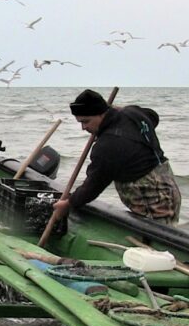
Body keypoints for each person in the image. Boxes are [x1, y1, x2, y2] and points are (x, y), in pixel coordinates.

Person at [53, 89, 181, 225]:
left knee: (156, 242)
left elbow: (94, 185)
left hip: (155, 201)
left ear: (101, 114)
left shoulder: (108, 144)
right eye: (80, 122)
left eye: (86, 121)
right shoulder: (132, 113)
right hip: (168, 190)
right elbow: (152, 116)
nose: (83, 128)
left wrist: (68, 204)